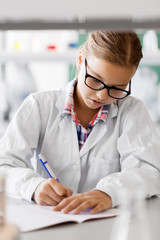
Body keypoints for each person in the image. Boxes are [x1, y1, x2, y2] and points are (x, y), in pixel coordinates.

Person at [0, 31, 160, 215]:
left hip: (105, 226)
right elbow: (4, 164)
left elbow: (149, 172)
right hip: (50, 222)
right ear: (80, 60)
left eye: (117, 88)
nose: (102, 95)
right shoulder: (38, 106)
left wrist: (109, 193)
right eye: (95, 79)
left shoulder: (132, 112)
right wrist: (33, 186)